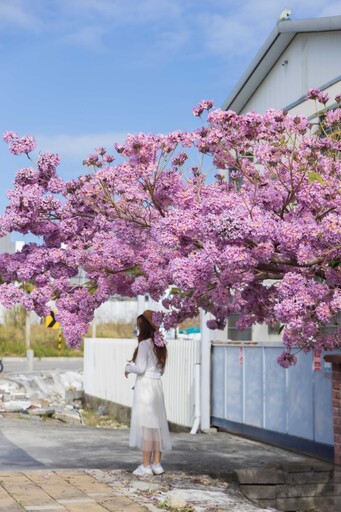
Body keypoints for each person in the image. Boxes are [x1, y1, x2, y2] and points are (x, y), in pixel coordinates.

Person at [125, 310, 171, 476]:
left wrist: (128, 368)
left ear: (143, 326)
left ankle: (145, 466)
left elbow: (140, 368)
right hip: (157, 386)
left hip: (145, 387)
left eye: (139, 326)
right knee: (157, 427)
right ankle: (157, 464)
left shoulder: (144, 344)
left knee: (147, 428)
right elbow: (162, 370)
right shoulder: (161, 344)